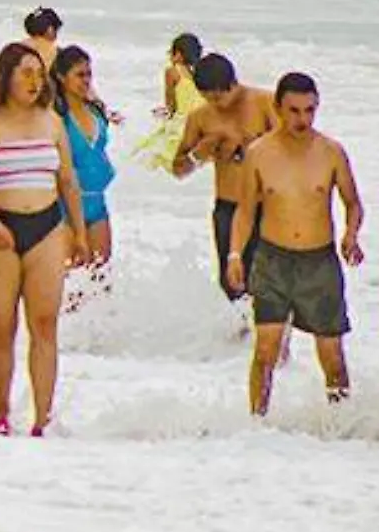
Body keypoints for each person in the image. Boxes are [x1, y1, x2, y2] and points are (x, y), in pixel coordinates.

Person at [0, 42, 89, 437]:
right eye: (25, 73)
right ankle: (1, 414)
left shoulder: (51, 121)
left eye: (38, 73)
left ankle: (43, 421)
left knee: (45, 323)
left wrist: (79, 231)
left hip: (47, 225)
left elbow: (67, 179)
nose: (34, 81)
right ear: (6, 77)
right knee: (2, 325)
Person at [227, 73, 364, 415]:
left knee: (332, 355)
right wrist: (234, 254)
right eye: (295, 111)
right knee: (265, 351)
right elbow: (245, 211)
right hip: (273, 260)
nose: (302, 119)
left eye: (310, 110)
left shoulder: (331, 152)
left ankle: (340, 424)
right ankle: (256, 424)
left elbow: (353, 202)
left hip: (319, 263)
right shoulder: (259, 153)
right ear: (278, 108)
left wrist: (351, 234)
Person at [171, 53, 279, 303]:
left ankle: (271, 339)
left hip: (267, 206)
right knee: (232, 283)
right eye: (208, 98)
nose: (216, 104)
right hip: (228, 207)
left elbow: (291, 151)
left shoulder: (265, 103)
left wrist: (249, 147)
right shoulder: (200, 117)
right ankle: (238, 339)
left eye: (219, 97)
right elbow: (178, 170)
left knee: (269, 283)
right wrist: (200, 154)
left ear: (234, 84)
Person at [54, 47, 116, 267]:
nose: (86, 80)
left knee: (100, 282)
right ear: (61, 77)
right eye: (79, 75)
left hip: (96, 202)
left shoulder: (96, 113)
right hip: (65, 208)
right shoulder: (56, 118)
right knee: (72, 285)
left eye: (89, 74)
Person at [136, 32, 206, 171]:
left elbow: (171, 107)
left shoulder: (172, 72)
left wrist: (162, 112)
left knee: (148, 155)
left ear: (178, 54)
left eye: (171, 53)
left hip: (180, 127)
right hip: (199, 128)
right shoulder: (200, 76)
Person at [21, 7, 61, 73]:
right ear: (50, 29)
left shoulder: (18, 47)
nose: (56, 36)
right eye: (56, 29)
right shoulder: (55, 52)